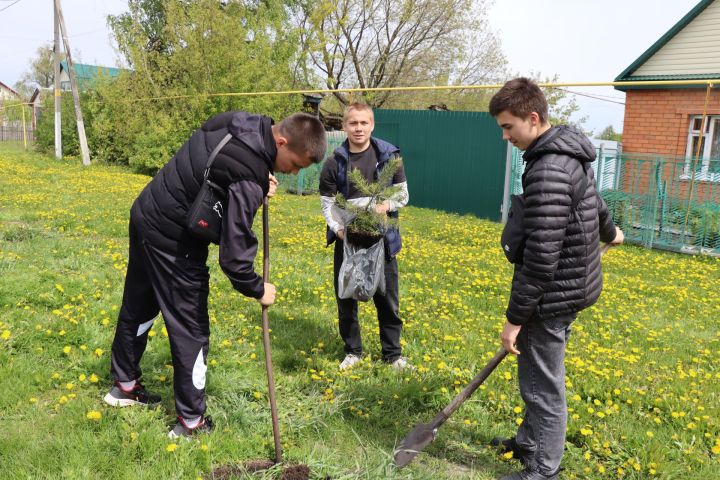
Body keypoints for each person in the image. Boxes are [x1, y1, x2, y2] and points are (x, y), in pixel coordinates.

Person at [104, 111, 327, 438]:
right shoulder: (248, 178)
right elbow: (234, 260)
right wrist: (257, 288)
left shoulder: (241, 121)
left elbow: (218, 165)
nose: (293, 172)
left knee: (139, 305)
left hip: (147, 212)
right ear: (281, 141)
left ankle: (123, 387)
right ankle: (190, 424)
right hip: (174, 239)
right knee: (190, 329)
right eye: (296, 163)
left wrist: (255, 179)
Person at [488, 78, 624, 480]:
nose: (505, 136)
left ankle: (544, 469)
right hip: (573, 286)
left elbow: (542, 258)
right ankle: (529, 442)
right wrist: (611, 231)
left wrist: (514, 320)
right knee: (536, 372)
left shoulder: (547, 167)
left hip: (553, 294)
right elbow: (594, 201)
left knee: (542, 386)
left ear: (533, 117)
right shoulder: (568, 152)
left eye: (508, 127)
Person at [319, 102, 410, 370]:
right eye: (353, 123)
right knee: (346, 297)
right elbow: (327, 203)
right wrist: (339, 230)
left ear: (372, 124)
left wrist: (386, 206)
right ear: (344, 126)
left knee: (388, 298)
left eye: (363, 123)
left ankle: (392, 355)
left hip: (383, 239)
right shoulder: (334, 162)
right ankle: (353, 352)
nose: (358, 128)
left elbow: (403, 194)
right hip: (348, 238)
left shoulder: (389, 156)